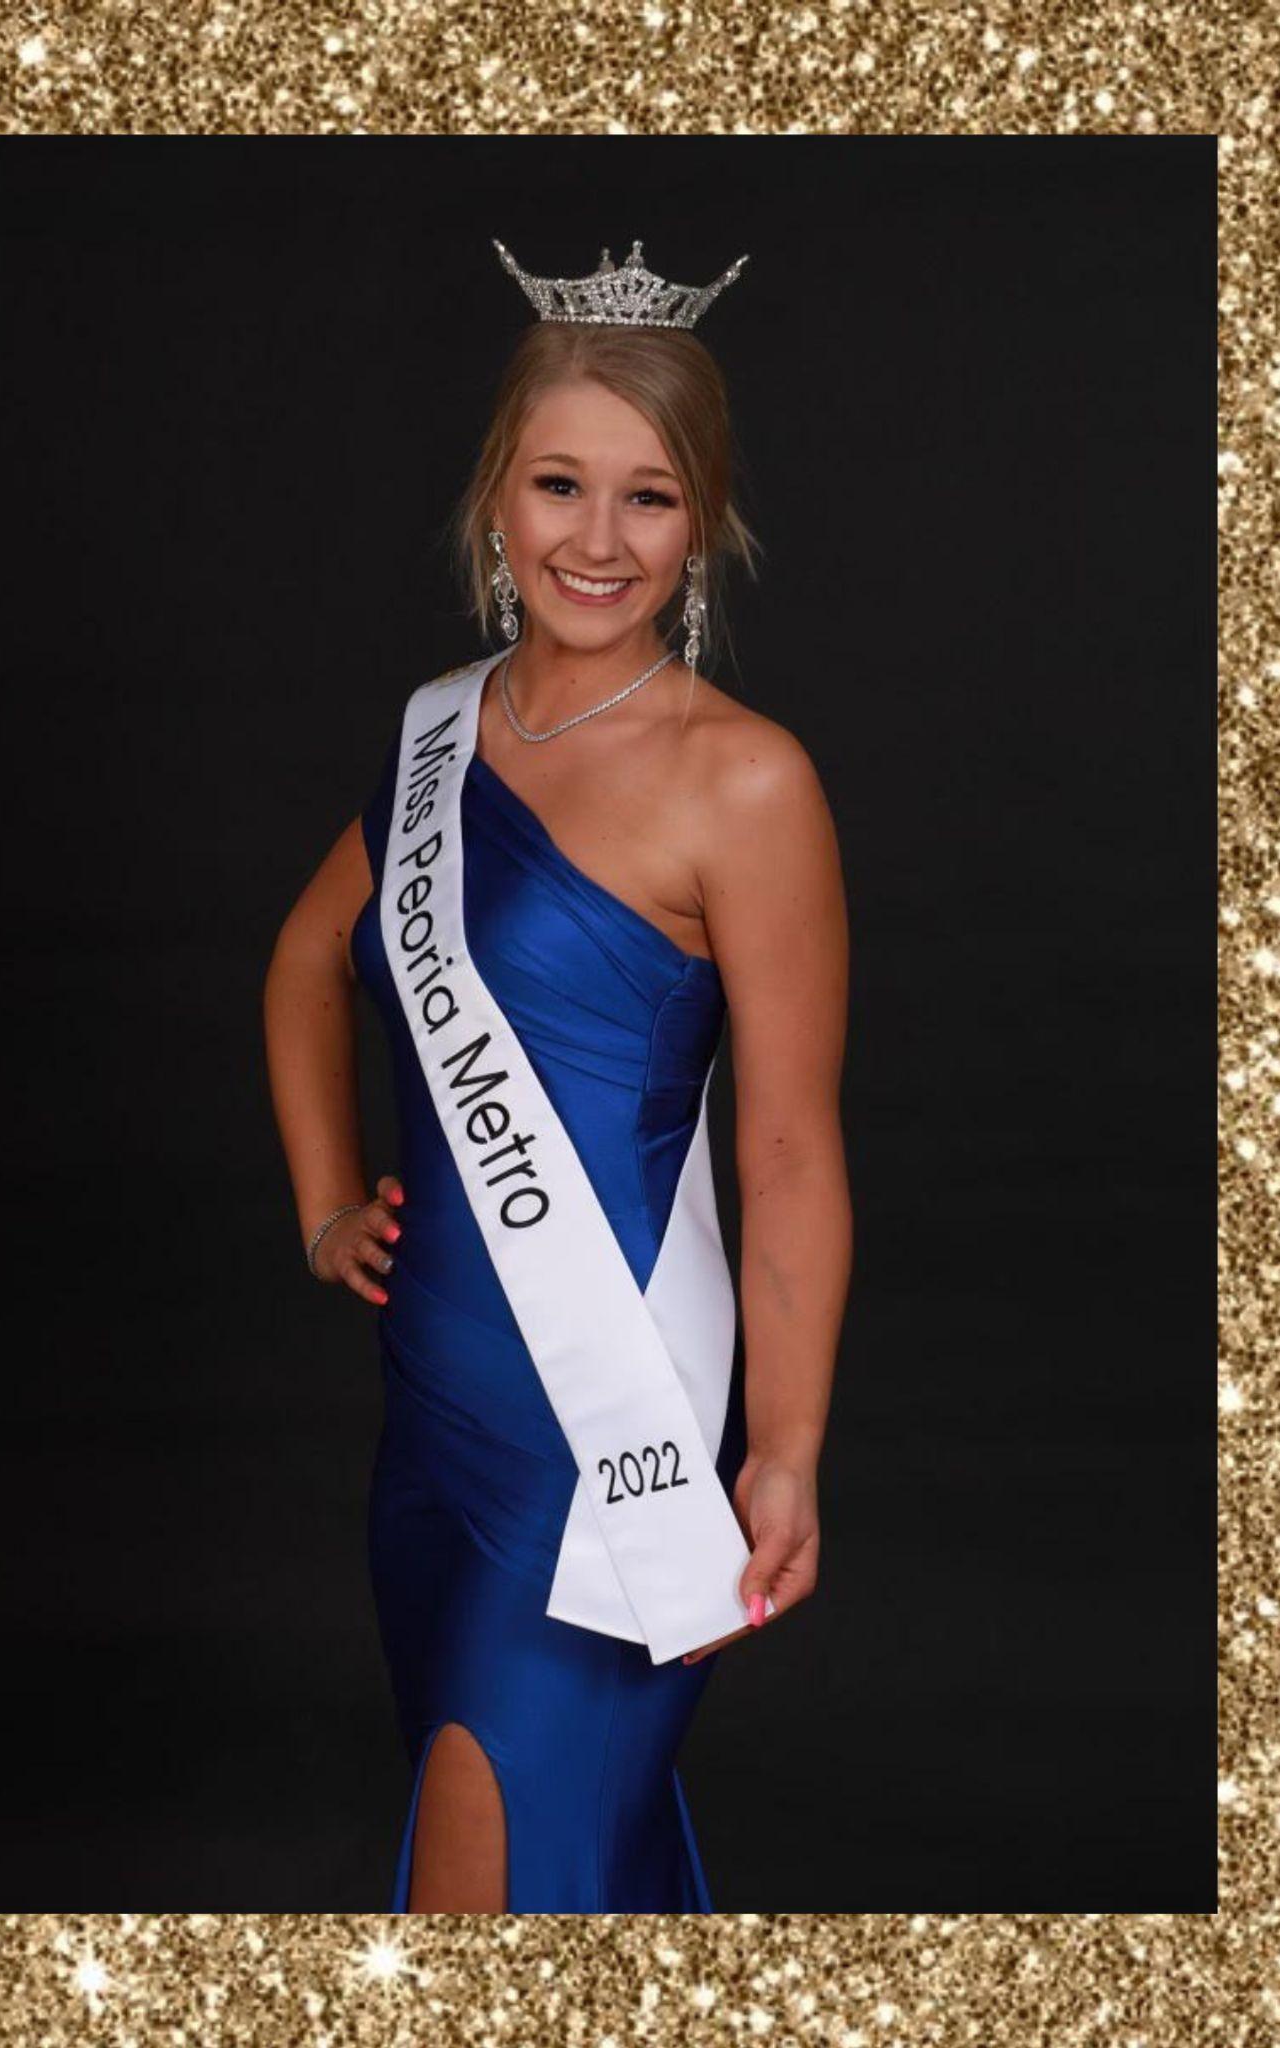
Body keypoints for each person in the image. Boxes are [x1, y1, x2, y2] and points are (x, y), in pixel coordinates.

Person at [264, 238, 851, 1913]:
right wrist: (326, 1204)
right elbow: (307, 961)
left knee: (501, 1853)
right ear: (495, 503)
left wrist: (787, 1446)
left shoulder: (747, 781)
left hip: (614, 1433)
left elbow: (790, 1150)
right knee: (572, 1864)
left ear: (704, 520)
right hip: (438, 1414)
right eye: (560, 485)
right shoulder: (440, 735)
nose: (599, 540)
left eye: (650, 497)